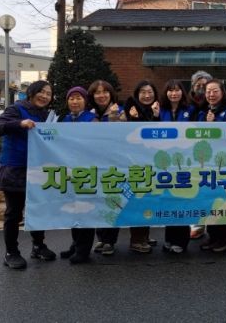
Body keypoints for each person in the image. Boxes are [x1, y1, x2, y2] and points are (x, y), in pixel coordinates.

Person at [0, 80, 56, 269]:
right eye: (41, 92)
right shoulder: (16, 109)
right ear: (32, 92)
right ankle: (11, 252)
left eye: (48, 93)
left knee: (38, 209)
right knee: (14, 213)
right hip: (15, 169)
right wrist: (19, 124)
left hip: (38, 169)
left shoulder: (46, 115)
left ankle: (38, 246)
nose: (45, 96)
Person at [197, 79, 226, 253]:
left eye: (215, 91)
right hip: (207, 164)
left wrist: (213, 125)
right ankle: (212, 236)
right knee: (210, 200)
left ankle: (225, 239)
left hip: (225, 163)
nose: (211, 94)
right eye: (208, 91)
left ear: (222, 92)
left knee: (223, 200)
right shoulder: (203, 111)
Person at [58, 86, 97, 264]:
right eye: (71, 98)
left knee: (85, 209)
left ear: (85, 101)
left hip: (87, 170)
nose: (74, 101)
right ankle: (75, 244)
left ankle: (84, 250)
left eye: (78, 98)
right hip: (69, 170)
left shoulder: (92, 119)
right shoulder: (65, 119)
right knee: (73, 209)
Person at [123, 80, 162, 254]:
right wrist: (133, 119)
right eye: (143, 92)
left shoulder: (154, 109)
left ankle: (144, 235)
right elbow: (132, 135)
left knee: (148, 200)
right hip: (134, 164)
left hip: (151, 164)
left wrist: (156, 115)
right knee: (138, 200)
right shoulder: (129, 109)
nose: (147, 95)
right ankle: (136, 240)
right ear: (137, 94)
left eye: (150, 92)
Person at [88, 80, 125, 255]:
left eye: (105, 92)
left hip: (114, 164)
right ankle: (101, 238)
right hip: (95, 163)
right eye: (97, 92)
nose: (101, 95)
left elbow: (123, 136)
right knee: (98, 201)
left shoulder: (120, 112)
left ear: (111, 94)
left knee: (112, 200)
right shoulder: (89, 114)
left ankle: (110, 240)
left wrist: (115, 118)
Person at [158, 79, 194, 254]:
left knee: (182, 200)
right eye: (170, 90)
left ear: (182, 92)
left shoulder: (190, 110)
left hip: (185, 162)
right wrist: (154, 115)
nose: (174, 93)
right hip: (166, 163)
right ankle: (169, 239)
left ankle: (181, 241)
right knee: (169, 201)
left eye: (177, 90)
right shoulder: (160, 110)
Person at [188, 70, 213, 240]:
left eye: (205, 85)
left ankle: (208, 225)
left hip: (209, 152)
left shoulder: (215, 104)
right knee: (191, 188)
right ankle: (196, 224)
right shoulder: (186, 102)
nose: (201, 88)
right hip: (188, 152)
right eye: (198, 84)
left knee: (208, 189)